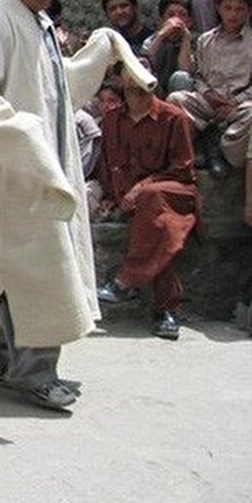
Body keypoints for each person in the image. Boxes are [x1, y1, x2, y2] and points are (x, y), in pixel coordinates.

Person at [0, 0, 157, 411]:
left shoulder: (41, 26)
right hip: (12, 169)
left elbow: (58, 91)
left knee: (3, 266)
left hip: (40, 166)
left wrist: (96, 56)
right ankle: (36, 373)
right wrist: (23, 133)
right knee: (37, 270)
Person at [94, 65, 199, 340]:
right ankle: (166, 310)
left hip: (171, 192)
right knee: (163, 228)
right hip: (135, 202)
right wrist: (110, 198)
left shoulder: (173, 117)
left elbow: (183, 170)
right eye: (130, 70)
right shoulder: (112, 120)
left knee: (153, 201)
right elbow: (107, 167)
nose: (136, 76)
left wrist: (142, 187)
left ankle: (125, 280)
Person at [167, 0, 252, 174]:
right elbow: (198, 76)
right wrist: (208, 94)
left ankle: (223, 150)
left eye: (240, 9)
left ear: (248, 12)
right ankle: (193, 148)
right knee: (176, 99)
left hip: (239, 105)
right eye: (228, 8)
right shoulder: (205, 40)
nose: (233, 14)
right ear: (218, 8)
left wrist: (234, 102)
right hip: (208, 101)